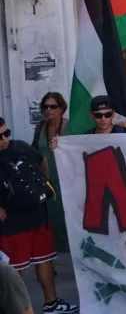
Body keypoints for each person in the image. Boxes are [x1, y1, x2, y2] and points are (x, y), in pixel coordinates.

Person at [0, 119, 78, 313]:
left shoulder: (20, 146)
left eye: (6, 133)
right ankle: (16, 309)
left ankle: (52, 303)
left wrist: (44, 185)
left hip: (37, 213)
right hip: (11, 220)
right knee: (13, 268)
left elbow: (42, 160)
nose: (4, 139)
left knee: (44, 259)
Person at [30, 93, 68, 253]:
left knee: (66, 217)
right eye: (45, 107)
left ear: (61, 108)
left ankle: (69, 254)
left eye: (53, 106)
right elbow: (34, 151)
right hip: (46, 180)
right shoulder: (40, 127)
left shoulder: (70, 126)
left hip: (66, 180)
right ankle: (52, 255)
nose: (49, 110)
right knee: (49, 218)